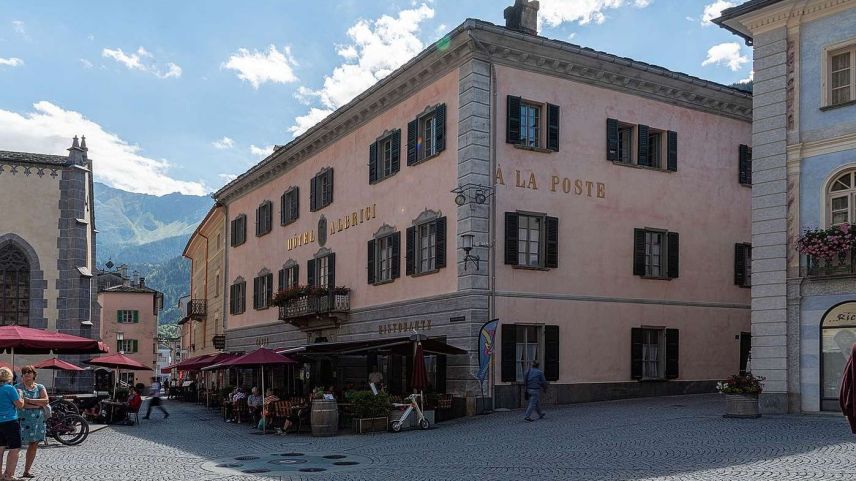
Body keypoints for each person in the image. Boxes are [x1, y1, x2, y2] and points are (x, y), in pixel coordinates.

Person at [16, 366, 48, 479]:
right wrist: (37, 404)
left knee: (34, 444)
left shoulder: (40, 387)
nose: (27, 374)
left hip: (37, 421)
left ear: (34, 375)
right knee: (16, 446)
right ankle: (10, 471)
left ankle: (27, 470)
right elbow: (20, 404)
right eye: (24, 373)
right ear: (22, 376)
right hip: (22, 420)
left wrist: (29, 401)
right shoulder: (18, 387)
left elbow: (46, 400)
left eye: (29, 372)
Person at [0, 367, 24, 481]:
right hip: (10, 421)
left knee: (0, 449)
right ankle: (8, 475)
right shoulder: (9, 388)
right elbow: (19, 405)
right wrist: (21, 396)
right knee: (14, 449)